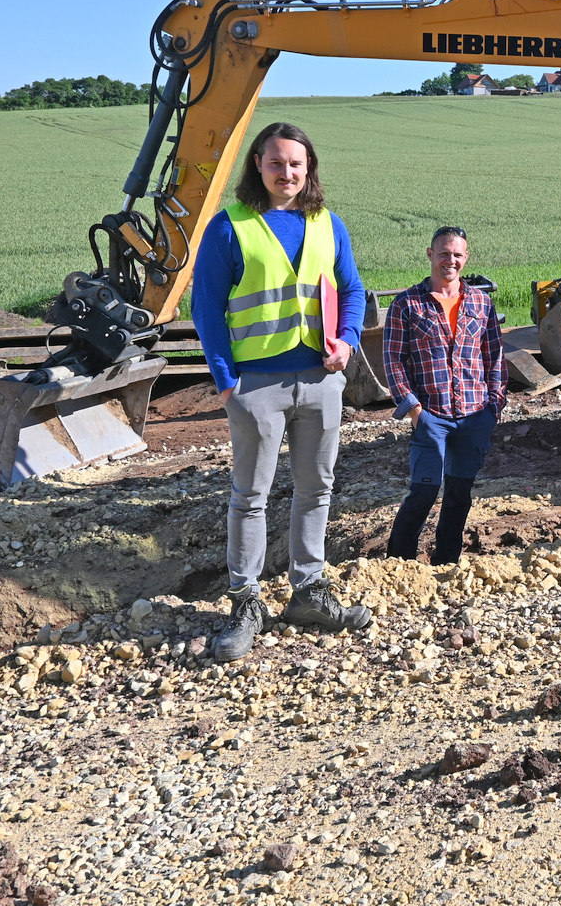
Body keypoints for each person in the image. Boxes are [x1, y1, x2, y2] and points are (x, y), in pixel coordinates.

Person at [191, 121, 372, 664]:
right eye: (276, 163)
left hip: (321, 381)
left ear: (308, 169)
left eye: (296, 164)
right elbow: (206, 308)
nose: (286, 173)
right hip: (256, 386)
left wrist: (348, 341)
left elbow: (354, 289)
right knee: (251, 496)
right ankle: (246, 601)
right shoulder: (231, 227)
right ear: (258, 167)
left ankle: (309, 592)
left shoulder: (327, 223)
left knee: (317, 489)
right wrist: (227, 383)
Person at [383, 225, 506, 565]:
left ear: (465, 258)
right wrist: (413, 408)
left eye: (457, 254)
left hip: (474, 414)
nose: (450, 260)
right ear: (430, 255)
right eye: (443, 253)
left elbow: (494, 356)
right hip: (430, 415)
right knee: (424, 488)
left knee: (459, 493)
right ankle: (399, 561)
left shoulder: (481, 302)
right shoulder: (407, 304)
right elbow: (393, 358)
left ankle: (447, 560)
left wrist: (494, 405)